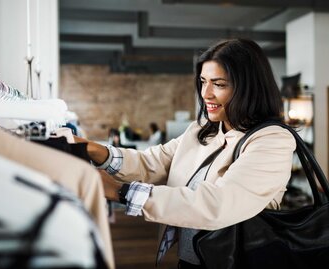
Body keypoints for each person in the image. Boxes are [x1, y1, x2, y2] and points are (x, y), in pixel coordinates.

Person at [75, 38, 295, 268]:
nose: (206, 94)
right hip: (191, 260)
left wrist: (121, 192)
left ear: (248, 87)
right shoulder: (202, 130)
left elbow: (216, 205)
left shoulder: (272, 140)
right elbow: (153, 163)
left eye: (219, 84)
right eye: (203, 82)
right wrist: (94, 150)